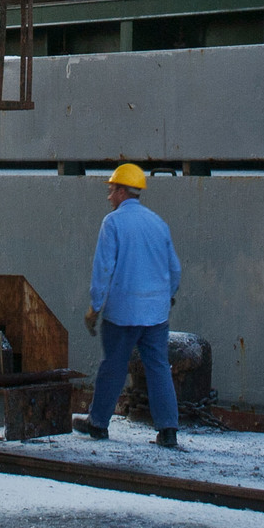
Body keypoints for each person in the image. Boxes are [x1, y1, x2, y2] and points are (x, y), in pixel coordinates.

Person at [79, 162, 184, 448]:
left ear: (123, 191)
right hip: (155, 315)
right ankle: (168, 430)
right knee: (159, 367)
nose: (109, 196)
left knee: (113, 366)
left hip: (122, 314)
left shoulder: (112, 223)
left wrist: (94, 307)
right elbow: (174, 269)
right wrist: (166, 296)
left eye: (112, 190)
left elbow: (103, 270)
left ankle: (98, 424)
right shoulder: (158, 223)